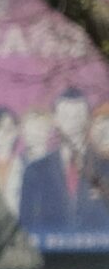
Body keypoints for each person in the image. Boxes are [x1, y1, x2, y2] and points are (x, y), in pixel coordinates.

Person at [22, 88, 94, 231]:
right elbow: (26, 223)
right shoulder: (35, 170)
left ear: (88, 119)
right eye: (66, 116)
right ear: (55, 120)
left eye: (78, 115)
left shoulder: (105, 167)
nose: (73, 123)